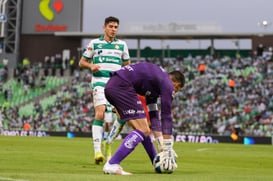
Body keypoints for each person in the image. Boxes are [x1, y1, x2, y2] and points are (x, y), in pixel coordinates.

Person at [103, 62, 185, 175]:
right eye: (176, 89)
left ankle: (155, 161)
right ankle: (112, 164)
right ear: (176, 84)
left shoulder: (156, 83)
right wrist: (167, 146)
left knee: (144, 129)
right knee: (144, 130)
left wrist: (160, 141)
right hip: (122, 87)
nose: (174, 92)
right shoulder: (167, 82)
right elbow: (166, 115)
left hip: (112, 86)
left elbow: (154, 114)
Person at [78, 16, 131, 164]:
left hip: (116, 85)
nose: (113, 29)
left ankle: (108, 142)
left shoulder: (122, 45)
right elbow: (81, 62)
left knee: (121, 116)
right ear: (104, 27)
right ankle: (97, 152)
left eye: (116, 27)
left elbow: (127, 66)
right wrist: (91, 66)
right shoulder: (95, 43)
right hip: (99, 82)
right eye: (111, 26)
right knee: (100, 112)